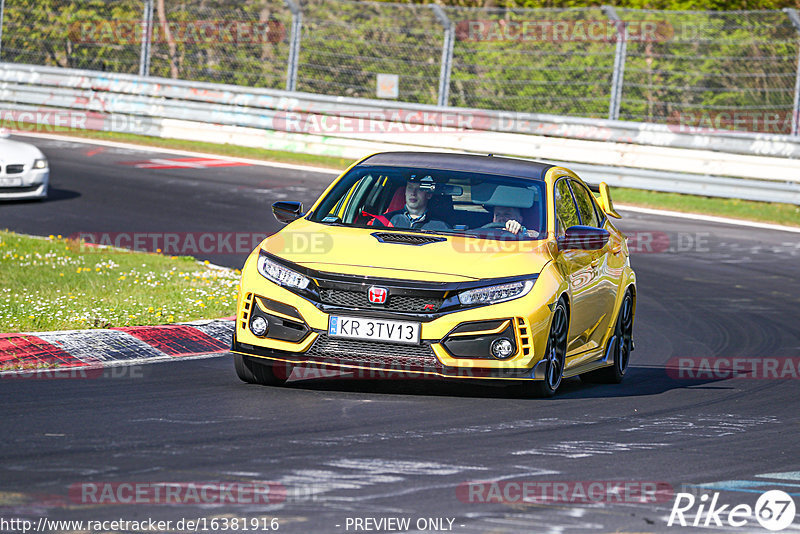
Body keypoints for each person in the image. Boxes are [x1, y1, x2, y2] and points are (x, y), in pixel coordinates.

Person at [381, 176, 450, 230]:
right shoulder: (385, 221)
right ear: (405, 192)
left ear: (429, 195)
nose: (413, 193)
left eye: (420, 189)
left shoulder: (441, 226)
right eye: (410, 188)